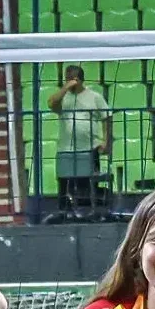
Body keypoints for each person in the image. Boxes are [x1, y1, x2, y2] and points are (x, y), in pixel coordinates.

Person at [48, 64, 112, 220]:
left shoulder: (94, 97)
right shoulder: (63, 98)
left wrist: (107, 141)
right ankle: (64, 214)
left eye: (72, 79)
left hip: (90, 148)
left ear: (80, 79)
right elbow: (51, 103)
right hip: (66, 148)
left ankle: (91, 214)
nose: (70, 82)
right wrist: (65, 88)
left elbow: (107, 118)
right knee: (64, 182)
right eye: (67, 79)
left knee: (87, 184)